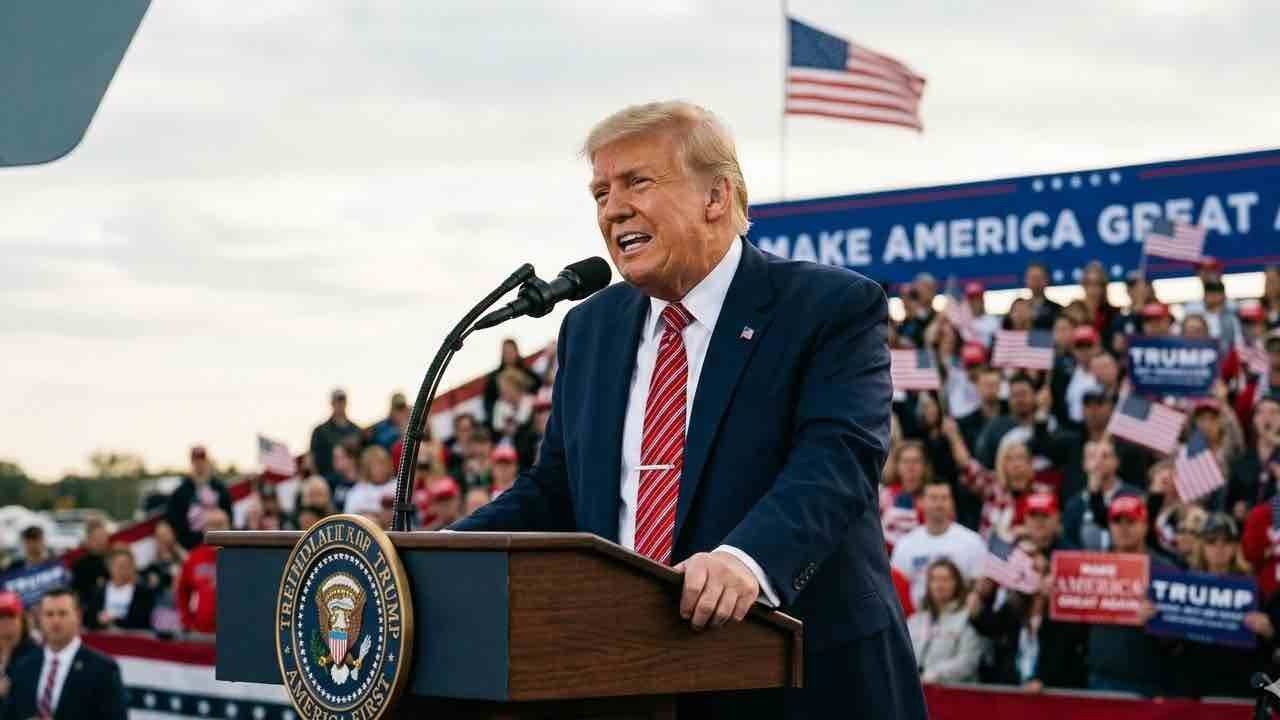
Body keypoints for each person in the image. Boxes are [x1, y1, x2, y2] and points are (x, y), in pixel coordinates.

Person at [451, 100, 925, 718]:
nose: (613, 209)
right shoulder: (590, 327)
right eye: (601, 193)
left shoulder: (828, 306)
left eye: (637, 182)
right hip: (629, 678)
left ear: (716, 196)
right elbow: (556, 488)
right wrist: (444, 554)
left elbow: (836, 461)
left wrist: (745, 560)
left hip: (799, 675)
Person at [1172, 513, 1273, 698]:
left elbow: (1268, 644)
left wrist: (1268, 631)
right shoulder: (1183, 585)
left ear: (1235, 547)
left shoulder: (1253, 588)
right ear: (1201, 546)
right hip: (1195, 686)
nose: (1219, 548)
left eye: (1227, 541)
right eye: (1211, 541)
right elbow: (1170, 643)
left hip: (1239, 685)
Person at [1084, 495, 1170, 696]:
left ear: (1145, 526)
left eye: (1131, 521)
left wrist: (1158, 620)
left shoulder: (1165, 570)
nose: (1123, 528)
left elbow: (1178, 636)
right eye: (1117, 521)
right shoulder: (1091, 566)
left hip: (1147, 681)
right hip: (1099, 677)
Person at [0, 587, 127, 720]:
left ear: (78, 616)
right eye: (49, 614)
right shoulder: (24, 667)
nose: (55, 620)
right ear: (40, 619)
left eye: (62, 614)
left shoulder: (103, 669)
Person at [891, 480, 987, 605]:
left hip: (959, 613)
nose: (939, 504)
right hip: (916, 614)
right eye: (933, 498)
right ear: (921, 502)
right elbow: (896, 587)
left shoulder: (973, 541)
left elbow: (979, 583)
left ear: (952, 503)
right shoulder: (905, 544)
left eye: (944, 498)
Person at [906, 558, 982, 683]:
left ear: (957, 583)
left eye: (945, 579)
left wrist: (936, 674)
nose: (939, 585)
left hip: (952, 690)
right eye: (934, 579)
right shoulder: (914, 620)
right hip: (914, 687)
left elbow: (969, 660)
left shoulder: (968, 617)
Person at [1061, 438, 1145, 551]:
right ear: (1084, 463)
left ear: (1116, 462)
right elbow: (1068, 542)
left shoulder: (1135, 497)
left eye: (1105, 456)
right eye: (1092, 456)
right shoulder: (1074, 504)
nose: (1098, 461)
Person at [165, 445, 233, 549]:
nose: (199, 464)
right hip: (193, 546)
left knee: (220, 517)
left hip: (218, 544)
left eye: (202, 460)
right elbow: (175, 521)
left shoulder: (219, 488)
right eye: (196, 460)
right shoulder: (181, 492)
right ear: (192, 462)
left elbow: (228, 515)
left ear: (207, 461)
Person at [176, 509, 227, 634]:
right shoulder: (194, 557)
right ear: (204, 528)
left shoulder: (239, 557)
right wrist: (187, 621)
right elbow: (182, 592)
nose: (217, 529)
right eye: (212, 525)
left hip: (232, 631)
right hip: (201, 631)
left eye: (220, 524)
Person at [86, 547, 155, 631]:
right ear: (110, 567)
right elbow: (89, 619)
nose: (122, 570)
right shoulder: (99, 591)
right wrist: (98, 619)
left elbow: (142, 622)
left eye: (126, 566)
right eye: (119, 566)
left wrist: (114, 620)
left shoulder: (143, 593)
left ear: (133, 567)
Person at [482, 339, 543, 426]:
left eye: (511, 351)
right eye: (506, 352)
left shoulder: (527, 373)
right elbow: (489, 403)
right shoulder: (493, 378)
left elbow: (538, 388)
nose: (509, 355)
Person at [309, 387, 363, 479]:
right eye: (337, 401)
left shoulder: (356, 429)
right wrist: (318, 479)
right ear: (332, 403)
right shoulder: (320, 431)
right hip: (328, 480)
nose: (340, 404)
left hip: (352, 480)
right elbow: (312, 459)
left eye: (342, 401)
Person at [140, 519, 186, 612]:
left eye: (166, 534)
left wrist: (177, 550)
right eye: (160, 536)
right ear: (156, 539)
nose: (164, 539)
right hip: (165, 608)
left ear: (173, 534)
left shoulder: (183, 555)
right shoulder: (152, 565)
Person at [0, 592, 37, 704]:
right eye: (1, 617)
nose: (6, 623)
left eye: (11, 616)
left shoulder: (35, 655)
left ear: (22, 620)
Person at [68, 519, 110, 609]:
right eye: (97, 538)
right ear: (88, 540)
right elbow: (75, 593)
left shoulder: (113, 561)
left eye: (103, 537)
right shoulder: (79, 565)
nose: (100, 541)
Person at [1024, 261, 1061, 330]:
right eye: (1032, 278)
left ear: (1046, 280)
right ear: (1026, 280)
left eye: (1038, 278)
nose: (1035, 281)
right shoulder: (1018, 309)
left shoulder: (1057, 309)